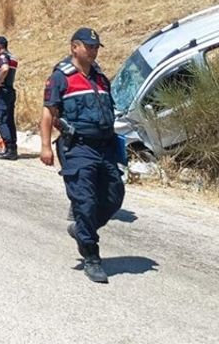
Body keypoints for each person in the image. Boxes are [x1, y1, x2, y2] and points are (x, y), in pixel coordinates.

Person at [39, 27, 124, 284]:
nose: (94, 50)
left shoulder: (100, 78)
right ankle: (91, 256)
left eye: (96, 46)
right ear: (74, 47)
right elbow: (48, 113)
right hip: (77, 148)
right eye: (89, 46)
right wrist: (44, 146)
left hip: (105, 147)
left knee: (114, 196)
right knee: (85, 202)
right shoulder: (60, 78)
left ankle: (82, 229)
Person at [0, 36, 19, 161]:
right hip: (9, 91)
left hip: (2, 92)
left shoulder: (2, 57)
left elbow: (5, 69)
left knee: (1, 119)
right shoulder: (12, 57)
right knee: (9, 120)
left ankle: (9, 149)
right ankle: (12, 148)